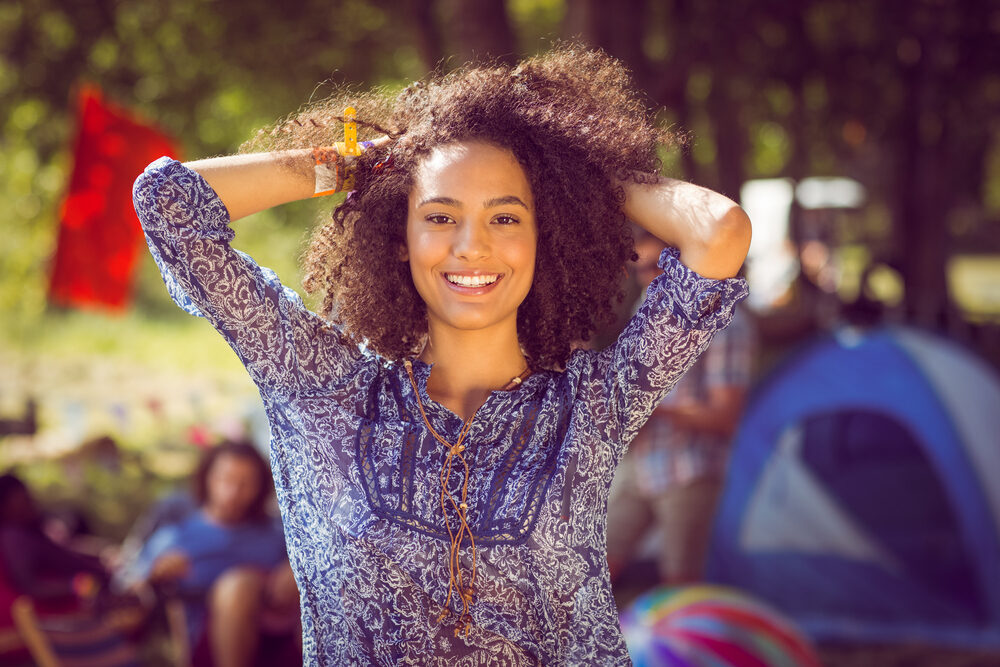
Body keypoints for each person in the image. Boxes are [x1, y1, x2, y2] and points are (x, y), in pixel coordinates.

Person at [132, 46, 751, 665]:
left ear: (546, 236)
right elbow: (169, 206)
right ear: (401, 238)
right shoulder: (324, 388)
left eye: (506, 217)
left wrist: (573, 174)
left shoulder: (589, 404)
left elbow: (718, 232)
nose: (472, 246)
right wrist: (353, 166)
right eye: (439, 215)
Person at [607, 232, 756, 588]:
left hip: (690, 471)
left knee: (681, 587)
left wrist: (652, 406)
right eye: (639, 269)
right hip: (639, 467)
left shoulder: (726, 323)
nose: (647, 277)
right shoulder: (646, 306)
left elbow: (725, 418)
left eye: (657, 268)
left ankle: (686, 644)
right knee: (588, 569)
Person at [122, 441, 297, 667]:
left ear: (261, 487)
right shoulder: (177, 536)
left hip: (278, 637)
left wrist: (294, 568)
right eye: (225, 479)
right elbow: (130, 584)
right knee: (239, 585)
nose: (233, 492)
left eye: (246, 483)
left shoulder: (277, 533)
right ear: (207, 479)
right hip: (209, 646)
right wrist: (155, 575)